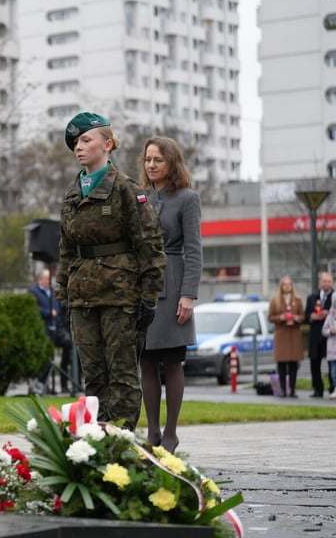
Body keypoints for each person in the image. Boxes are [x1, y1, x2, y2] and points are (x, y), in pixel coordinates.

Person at [55, 111, 166, 431]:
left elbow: (150, 245)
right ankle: (96, 441)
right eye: (75, 142)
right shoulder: (73, 191)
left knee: (122, 375)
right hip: (82, 297)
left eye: (86, 140)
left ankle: (121, 440)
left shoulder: (125, 189)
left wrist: (148, 297)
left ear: (108, 144)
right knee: (94, 376)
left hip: (120, 296)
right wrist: (63, 292)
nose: (79, 147)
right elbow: (65, 248)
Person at [138, 137, 202, 452]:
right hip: (142, 287)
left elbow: (194, 250)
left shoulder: (188, 198)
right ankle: (152, 431)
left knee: (172, 361)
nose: (151, 165)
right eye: (148, 159)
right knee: (146, 361)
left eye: (158, 160)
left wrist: (188, 294)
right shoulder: (139, 197)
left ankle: (171, 433)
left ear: (171, 163)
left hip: (174, 284)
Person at [28, 268, 78, 395]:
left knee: (69, 348)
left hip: (58, 329)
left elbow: (61, 311)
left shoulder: (54, 293)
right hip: (44, 329)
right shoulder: (33, 292)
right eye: (46, 278)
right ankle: (43, 384)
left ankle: (65, 383)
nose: (49, 281)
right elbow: (33, 309)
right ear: (40, 279)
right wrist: (47, 313)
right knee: (47, 356)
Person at [268, 276, 305, 398]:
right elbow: (270, 317)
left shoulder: (298, 300)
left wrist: (296, 318)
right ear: (281, 286)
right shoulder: (275, 300)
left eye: (289, 284)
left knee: (293, 364)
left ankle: (293, 390)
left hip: (294, 334)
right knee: (282, 364)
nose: (287, 287)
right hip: (281, 334)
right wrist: (281, 317)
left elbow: (302, 316)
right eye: (285, 284)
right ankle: (283, 390)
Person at [304, 271, 333, 398]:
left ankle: (333, 388)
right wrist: (312, 316)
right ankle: (318, 389)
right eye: (324, 281)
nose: (327, 284)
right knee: (314, 363)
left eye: (329, 282)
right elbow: (305, 316)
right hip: (315, 335)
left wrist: (329, 314)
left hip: (331, 337)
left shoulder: (335, 297)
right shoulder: (312, 298)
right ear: (319, 283)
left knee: (332, 363)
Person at [321, 301, 336, 399]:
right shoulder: (330, 317)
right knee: (333, 372)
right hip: (332, 349)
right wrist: (331, 331)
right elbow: (324, 331)